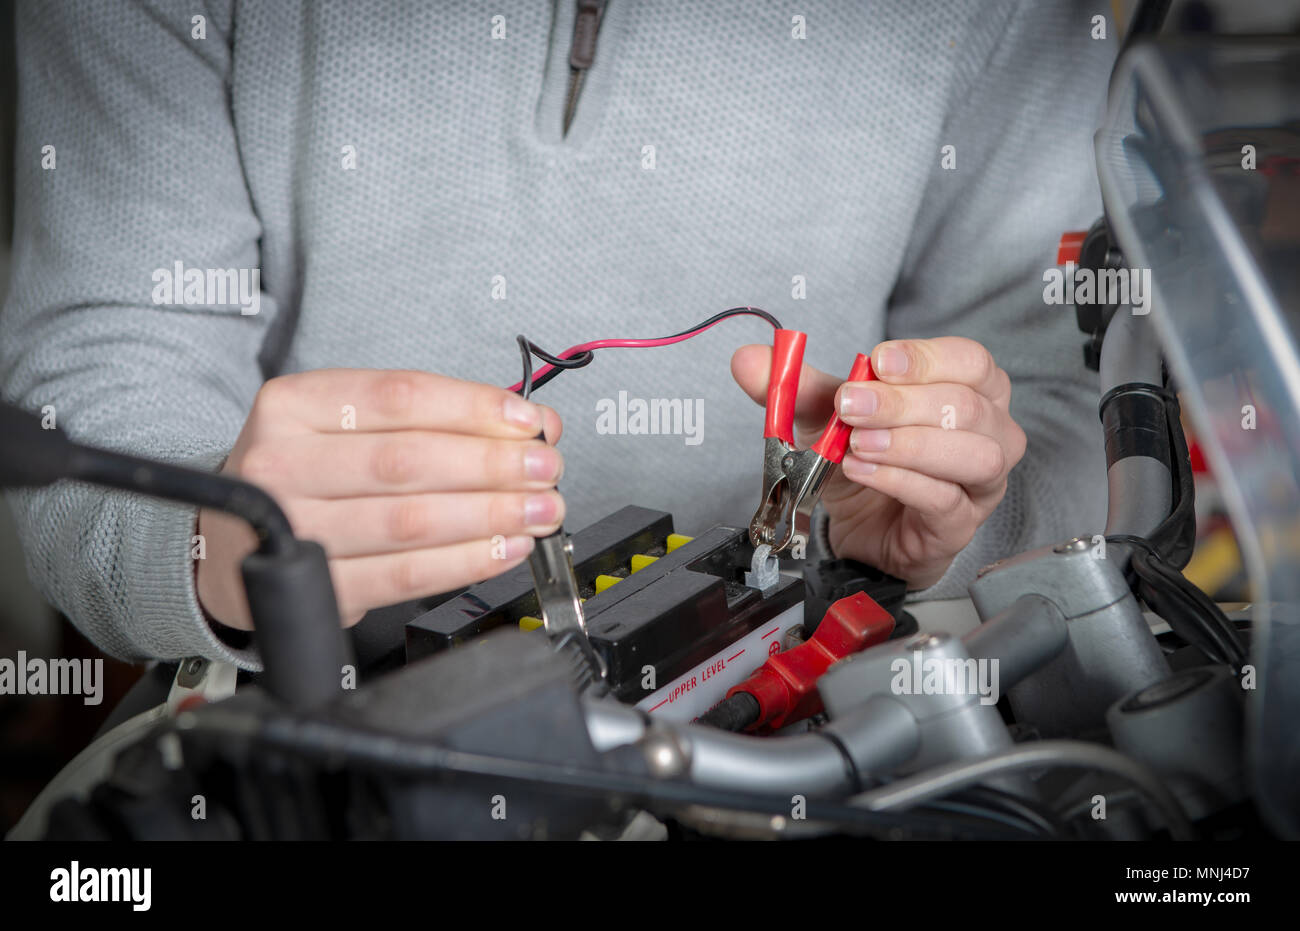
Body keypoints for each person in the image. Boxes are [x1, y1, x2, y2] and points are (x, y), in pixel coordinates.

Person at [1, 1, 1112, 669]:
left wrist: (953, 518)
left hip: (800, 684)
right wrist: (210, 550)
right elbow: (96, 373)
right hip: (308, 705)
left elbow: (1058, 422)